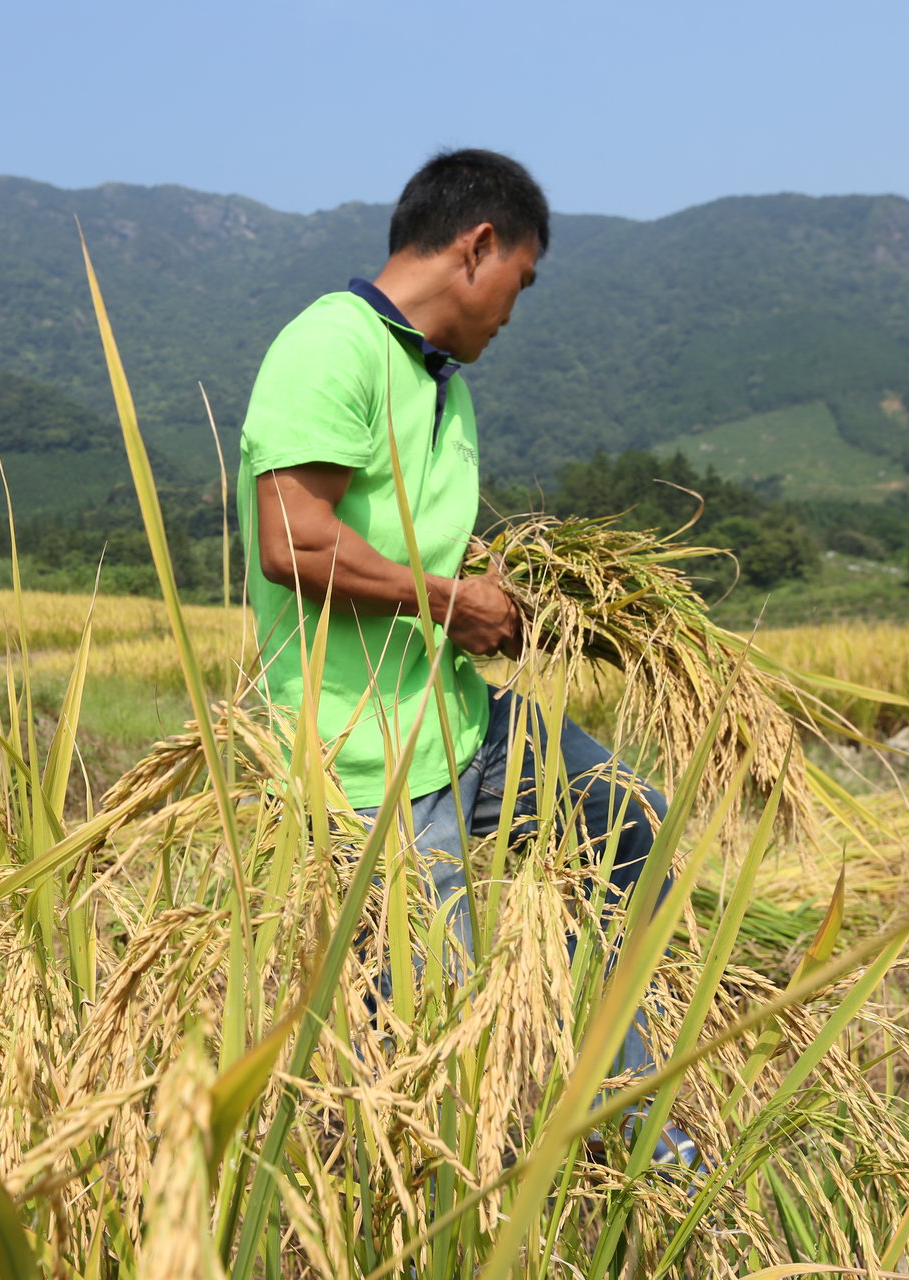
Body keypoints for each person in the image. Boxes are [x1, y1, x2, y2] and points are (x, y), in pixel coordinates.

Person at [236, 149, 699, 1170]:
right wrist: (451, 603)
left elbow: (406, 547)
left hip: (460, 720)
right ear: (477, 246)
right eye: (519, 284)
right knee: (418, 1027)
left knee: (633, 821)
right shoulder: (333, 346)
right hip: (367, 762)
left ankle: (619, 1124)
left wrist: (519, 591)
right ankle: (419, 1187)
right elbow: (293, 538)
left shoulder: (441, 380)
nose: (513, 313)